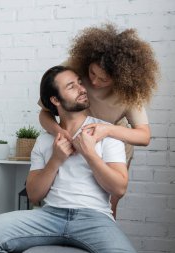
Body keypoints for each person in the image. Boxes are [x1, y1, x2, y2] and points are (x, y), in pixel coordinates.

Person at [0, 66, 136, 253]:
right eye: (71, 86)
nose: (82, 89)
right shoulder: (44, 140)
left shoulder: (105, 132)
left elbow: (119, 188)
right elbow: (34, 195)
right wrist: (56, 160)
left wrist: (90, 154)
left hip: (94, 218)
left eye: (80, 83)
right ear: (55, 99)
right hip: (50, 217)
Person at [39, 24, 159, 218]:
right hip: (73, 142)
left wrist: (107, 130)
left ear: (121, 77)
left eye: (104, 80)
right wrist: (64, 135)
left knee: (108, 204)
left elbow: (144, 136)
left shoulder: (129, 91)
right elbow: (45, 113)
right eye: (92, 73)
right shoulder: (75, 69)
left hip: (112, 144)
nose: (94, 82)